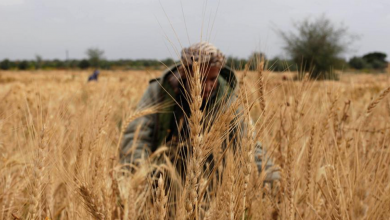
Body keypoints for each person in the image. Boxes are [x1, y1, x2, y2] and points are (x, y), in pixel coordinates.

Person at [120, 42, 279, 183]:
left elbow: (248, 142)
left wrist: (271, 177)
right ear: (184, 73)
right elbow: (136, 135)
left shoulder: (227, 100)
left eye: (213, 79)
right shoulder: (159, 91)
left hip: (206, 184)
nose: (208, 86)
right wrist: (143, 174)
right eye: (201, 79)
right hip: (161, 179)